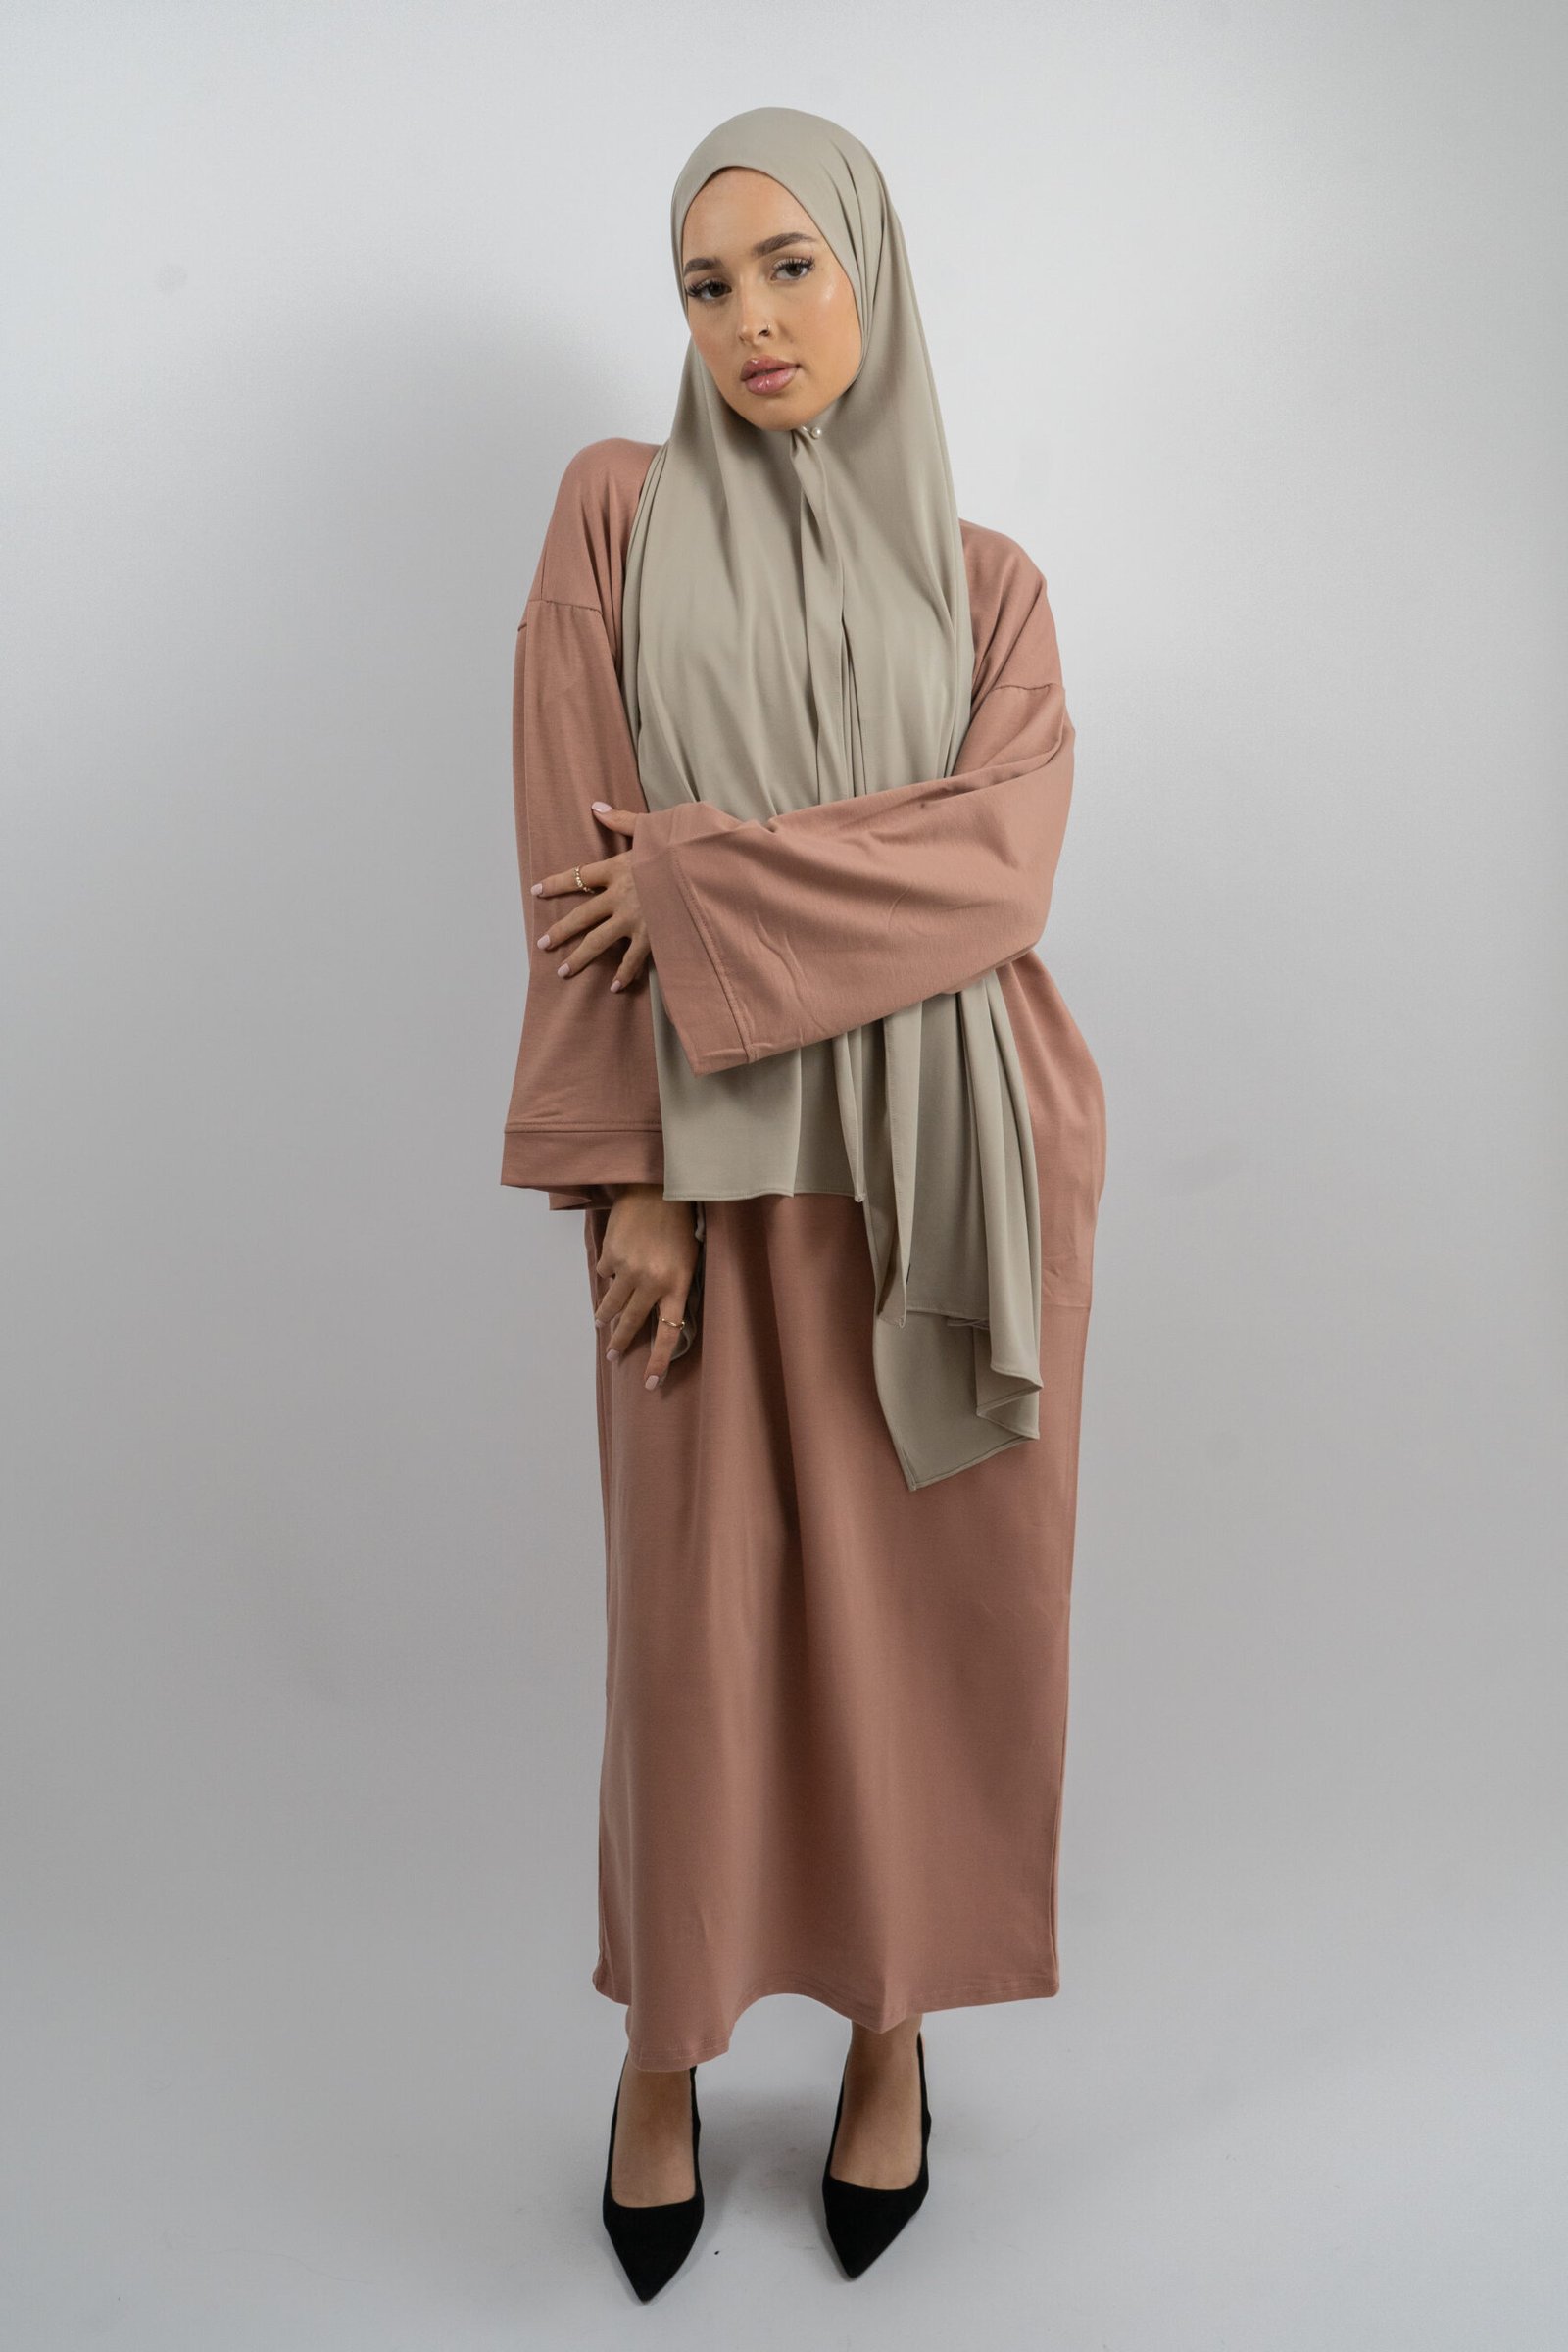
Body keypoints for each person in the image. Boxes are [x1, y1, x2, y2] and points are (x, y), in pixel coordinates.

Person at [500, 106, 1106, 2296]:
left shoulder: (989, 585)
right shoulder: (615, 516)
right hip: (709, 1173)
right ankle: (661, 2051)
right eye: (705, 282)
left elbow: (997, 877)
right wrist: (631, 1178)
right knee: (695, 1636)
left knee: (925, 1630)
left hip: (951, 1177)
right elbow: (573, 875)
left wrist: (700, 878)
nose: (750, 318)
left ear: (871, 275)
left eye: (789, 266)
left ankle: (890, 2032)